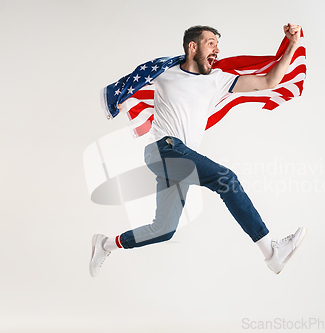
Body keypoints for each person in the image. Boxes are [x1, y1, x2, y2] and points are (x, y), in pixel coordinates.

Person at [90, 24, 307, 277]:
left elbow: (269, 81)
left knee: (163, 229)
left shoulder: (218, 80)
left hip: (180, 158)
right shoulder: (165, 71)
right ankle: (271, 252)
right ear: (193, 46)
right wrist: (115, 100)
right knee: (226, 179)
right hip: (164, 150)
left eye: (217, 44)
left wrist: (291, 45)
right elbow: (135, 78)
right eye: (211, 43)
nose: (217, 49)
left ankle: (104, 243)